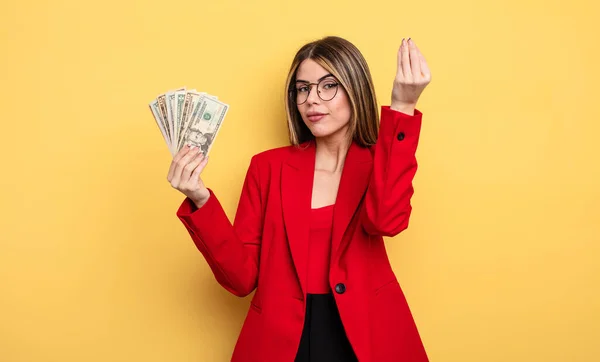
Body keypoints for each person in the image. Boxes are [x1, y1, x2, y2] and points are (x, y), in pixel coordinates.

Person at [167, 36, 432, 362]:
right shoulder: (268, 168)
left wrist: (403, 106)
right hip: (283, 341)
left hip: (365, 334)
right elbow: (241, 278)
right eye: (303, 88)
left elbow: (386, 221)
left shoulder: (380, 163)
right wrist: (200, 199)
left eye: (328, 85)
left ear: (355, 89)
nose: (312, 100)